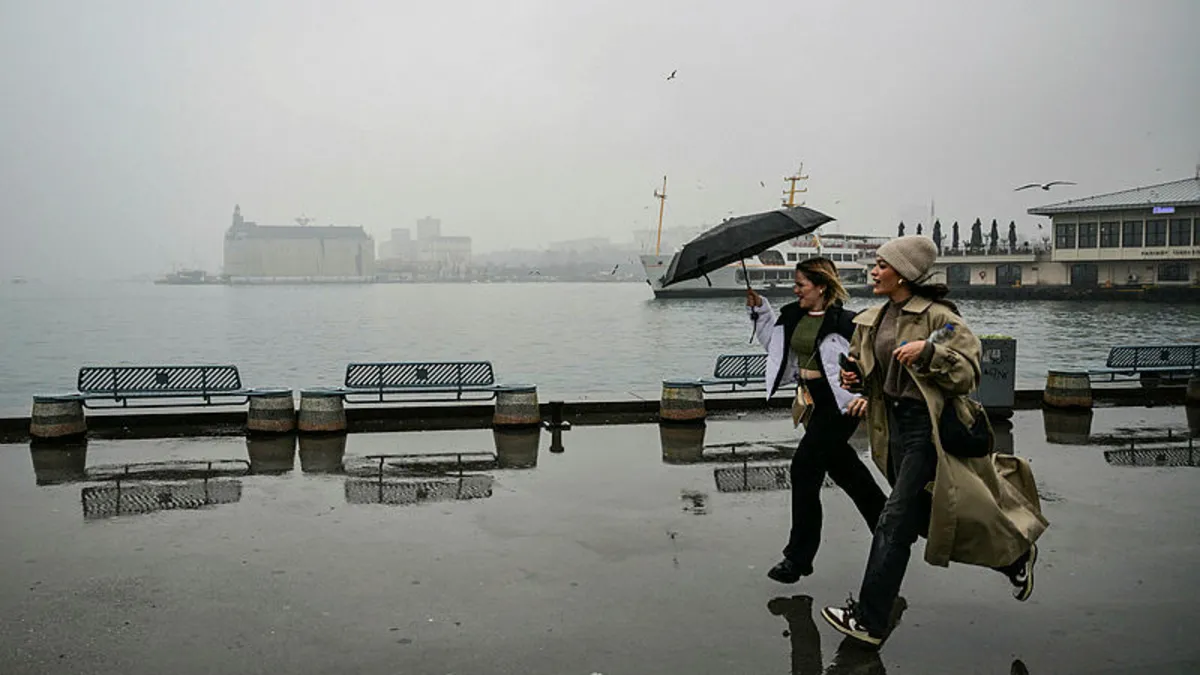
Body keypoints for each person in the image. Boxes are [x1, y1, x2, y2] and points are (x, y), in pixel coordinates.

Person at [820, 236, 1048, 647]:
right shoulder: (873, 318)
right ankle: (1014, 557)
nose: (874, 271)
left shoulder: (941, 320)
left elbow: (968, 375)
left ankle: (869, 621)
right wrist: (853, 378)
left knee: (894, 521)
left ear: (904, 273)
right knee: (923, 518)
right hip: (890, 426)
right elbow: (869, 375)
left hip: (927, 429)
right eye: (876, 264)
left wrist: (929, 352)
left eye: (882, 265)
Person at [747, 257, 886, 584]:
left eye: (801, 285)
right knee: (846, 471)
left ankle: (797, 559)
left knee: (803, 468)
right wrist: (760, 310)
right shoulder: (792, 316)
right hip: (811, 400)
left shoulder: (848, 323)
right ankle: (891, 527)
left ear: (821, 286)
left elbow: (871, 365)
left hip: (838, 404)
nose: (795, 290)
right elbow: (776, 348)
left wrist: (866, 396)